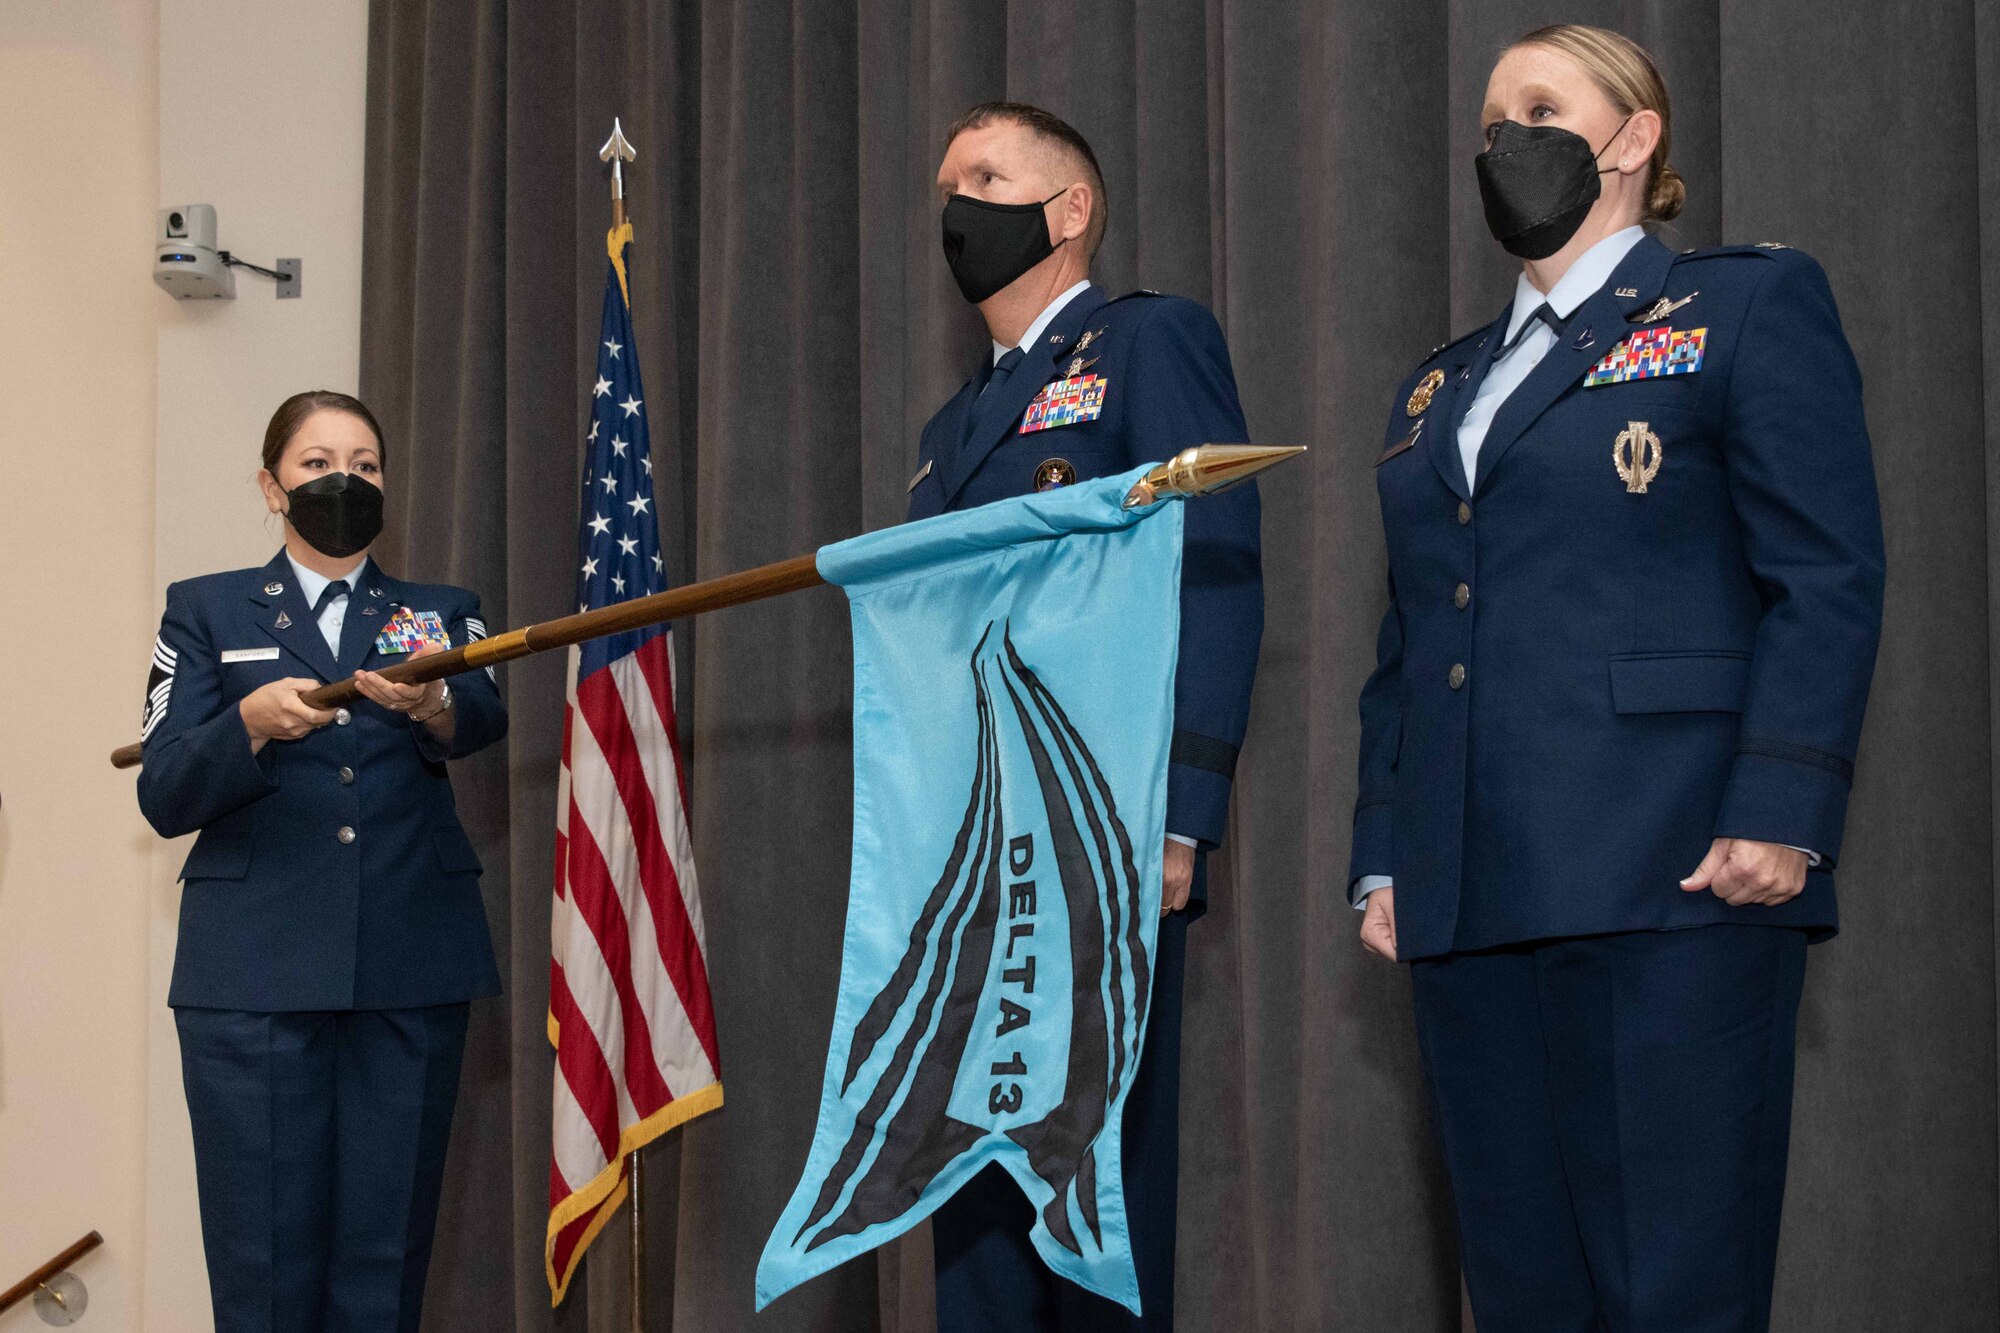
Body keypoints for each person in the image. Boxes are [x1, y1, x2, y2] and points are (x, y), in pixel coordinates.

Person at [1349, 24, 1885, 1331]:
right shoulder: (1441, 385)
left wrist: (1783, 811)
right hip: (1472, 889)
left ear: (1635, 136)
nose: (1503, 140)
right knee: (1524, 1289)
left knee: (1671, 1286)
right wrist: (1386, 855)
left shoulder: (1745, 304)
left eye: (1539, 104)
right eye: (1488, 119)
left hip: (1671, 871)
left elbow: (1824, 575)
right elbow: (1412, 641)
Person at [911, 102, 1263, 1331]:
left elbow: (1210, 567)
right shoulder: (951, 425)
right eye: (947, 180)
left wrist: (1180, 816)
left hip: (1091, 828)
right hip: (963, 854)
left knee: (1084, 1190)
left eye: (986, 175)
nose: (956, 201)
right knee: (971, 1187)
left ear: (1067, 211)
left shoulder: (1147, 341)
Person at [136, 390, 506, 1333]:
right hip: (253, 973)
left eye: (365, 463)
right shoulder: (205, 609)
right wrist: (249, 726)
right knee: (262, 1257)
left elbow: (484, 718)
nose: (344, 478)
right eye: (316, 462)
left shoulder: (439, 611)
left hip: (410, 962)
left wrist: (432, 708)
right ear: (271, 486)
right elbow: (166, 787)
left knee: (386, 1257)